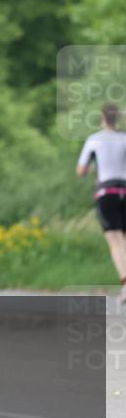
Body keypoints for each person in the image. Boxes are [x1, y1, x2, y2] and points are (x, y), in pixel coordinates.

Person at [76, 103, 126, 304]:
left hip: (107, 192)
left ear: (102, 119)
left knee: (115, 241)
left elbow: (81, 170)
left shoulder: (94, 139)